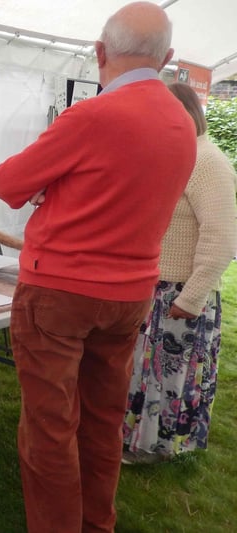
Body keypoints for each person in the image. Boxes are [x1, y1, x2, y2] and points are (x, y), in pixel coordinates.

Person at [0, 3, 197, 532]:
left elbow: (10, 184)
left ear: (100, 53)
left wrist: (53, 190)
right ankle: (95, 524)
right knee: (103, 424)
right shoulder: (180, 120)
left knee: (50, 429)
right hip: (130, 293)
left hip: (59, 292)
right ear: (167, 58)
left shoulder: (92, 114)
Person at [122, 82, 237, 465]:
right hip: (156, 287)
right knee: (146, 372)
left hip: (181, 293)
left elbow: (221, 239)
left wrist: (191, 297)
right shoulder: (181, 155)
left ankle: (153, 448)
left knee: (168, 377)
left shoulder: (209, 162)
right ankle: (138, 440)